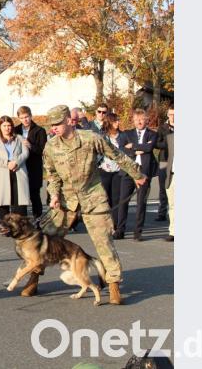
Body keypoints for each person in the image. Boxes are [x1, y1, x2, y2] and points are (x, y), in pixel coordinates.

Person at [40, 105, 146, 304]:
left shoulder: (91, 138)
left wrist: (137, 174)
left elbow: (117, 155)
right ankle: (34, 277)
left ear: (69, 121)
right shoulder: (51, 147)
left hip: (92, 196)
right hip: (65, 200)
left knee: (104, 242)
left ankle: (113, 284)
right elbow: (51, 175)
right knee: (46, 241)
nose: (54, 128)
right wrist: (53, 195)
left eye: (57, 124)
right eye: (52, 125)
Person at [116, 108, 158, 241]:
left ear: (146, 120)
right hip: (128, 171)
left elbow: (149, 148)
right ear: (133, 121)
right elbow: (121, 149)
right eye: (136, 119)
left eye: (142, 119)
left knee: (141, 203)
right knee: (123, 202)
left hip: (144, 172)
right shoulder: (126, 134)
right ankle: (120, 230)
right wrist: (136, 151)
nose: (139, 122)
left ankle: (137, 232)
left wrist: (133, 146)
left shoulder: (152, 134)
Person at [0, 116, 30, 219]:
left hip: (18, 171)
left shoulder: (19, 138)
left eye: (9, 125)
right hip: (2, 172)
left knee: (19, 200)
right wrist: (7, 163)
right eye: (4, 125)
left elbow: (25, 152)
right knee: (4, 200)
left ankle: (20, 225)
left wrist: (16, 162)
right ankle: (6, 226)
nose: (7, 128)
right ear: (0, 127)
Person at [14, 106, 47, 218]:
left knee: (34, 195)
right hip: (20, 167)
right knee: (20, 195)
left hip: (34, 168)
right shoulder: (15, 130)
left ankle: (38, 219)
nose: (25, 120)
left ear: (31, 115)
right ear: (18, 118)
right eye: (22, 118)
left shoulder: (40, 131)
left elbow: (43, 150)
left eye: (27, 117)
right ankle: (21, 220)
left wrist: (30, 146)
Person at [98, 113, 126, 226]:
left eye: (118, 120)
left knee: (116, 198)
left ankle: (115, 224)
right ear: (109, 123)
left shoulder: (123, 136)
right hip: (104, 170)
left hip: (118, 171)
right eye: (115, 121)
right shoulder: (103, 136)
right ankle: (106, 223)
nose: (117, 123)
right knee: (105, 198)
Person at [154, 104, 174, 222]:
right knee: (163, 187)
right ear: (167, 115)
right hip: (164, 160)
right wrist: (169, 144)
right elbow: (156, 143)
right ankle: (162, 212)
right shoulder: (162, 128)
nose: (173, 117)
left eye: (175, 115)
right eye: (171, 115)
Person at [164, 130, 174, 242]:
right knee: (172, 204)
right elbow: (166, 156)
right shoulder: (170, 138)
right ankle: (173, 231)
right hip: (172, 175)